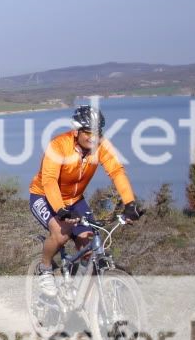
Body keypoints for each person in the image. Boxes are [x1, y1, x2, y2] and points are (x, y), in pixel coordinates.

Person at [28, 105, 142, 296]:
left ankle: (78, 294)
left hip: (75, 200)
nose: (93, 137)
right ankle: (45, 269)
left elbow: (116, 172)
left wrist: (130, 203)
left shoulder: (101, 146)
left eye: (97, 132)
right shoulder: (59, 145)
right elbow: (48, 181)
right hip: (44, 195)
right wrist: (61, 210)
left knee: (89, 246)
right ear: (77, 130)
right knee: (62, 234)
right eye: (88, 132)